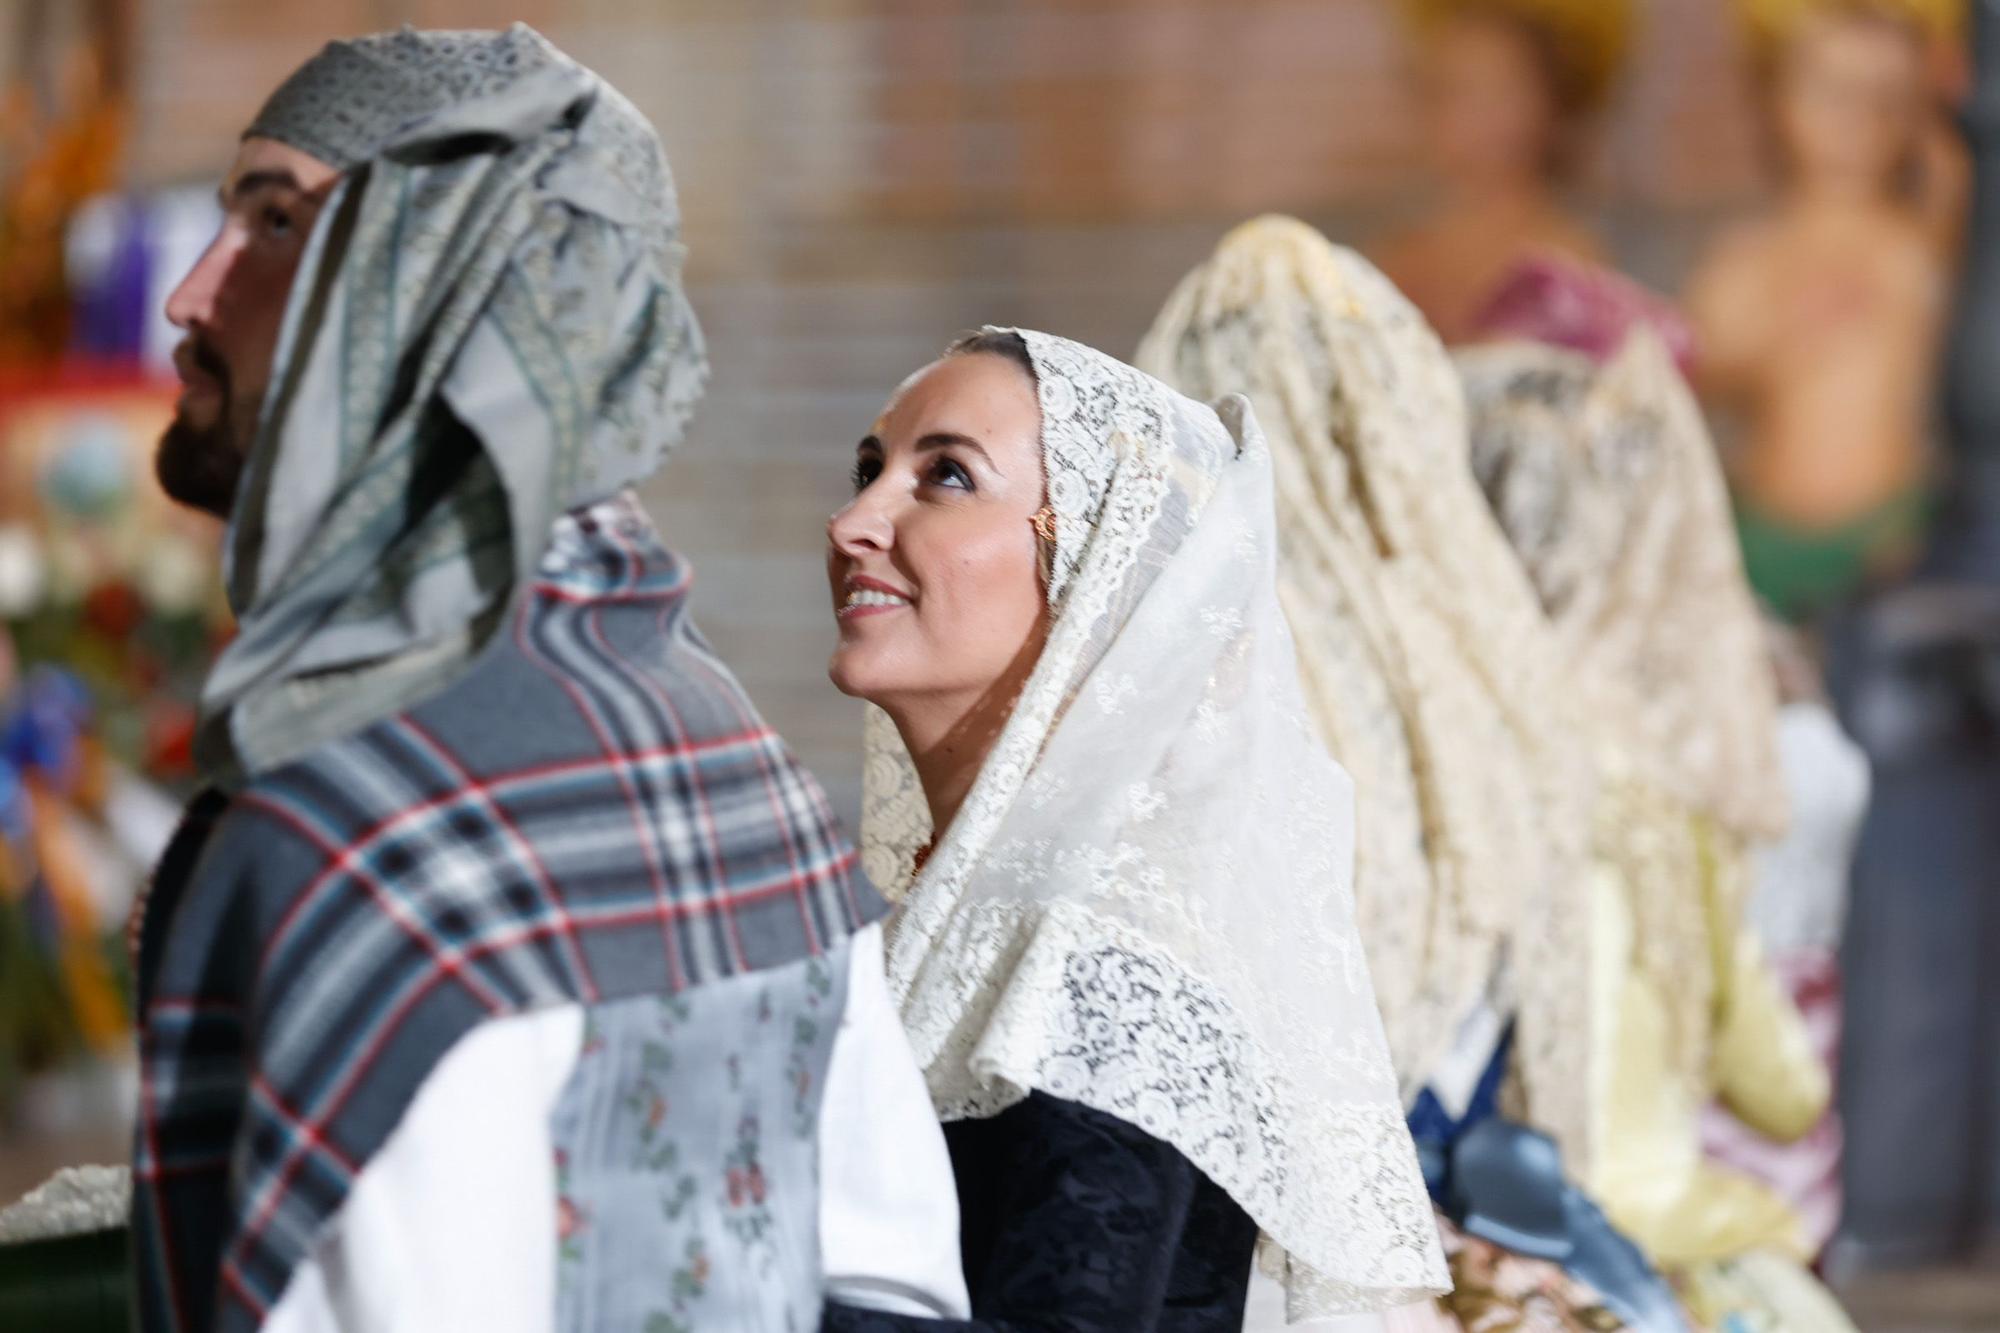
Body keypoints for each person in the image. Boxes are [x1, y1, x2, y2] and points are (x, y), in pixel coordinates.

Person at [130, 25, 964, 1333]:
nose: (190, 293)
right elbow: (895, 1289)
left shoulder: (337, 827)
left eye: (275, 220)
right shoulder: (747, 768)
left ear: (441, 285)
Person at [820, 329, 1447, 1330]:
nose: (853, 520)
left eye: (943, 476)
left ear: (1090, 566)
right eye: (868, 468)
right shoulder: (973, 902)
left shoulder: (1107, 950)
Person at [1458, 332, 1858, 1331]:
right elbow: (1783, 1091)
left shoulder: (1429, 766)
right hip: (1658, 1264)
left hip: (1469, 1259)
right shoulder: (1663, 795)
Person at [1687, 0, 1965, 621]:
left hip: (1885, 544)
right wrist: (1760, 351)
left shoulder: (1919, 247)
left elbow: (1962, 176)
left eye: (1885, 97)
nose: (1854, 118)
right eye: (1829, 88)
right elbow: (1687, 390)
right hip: (1758, 544)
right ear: (1775, 93)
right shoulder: (1744, 258)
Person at [1375, 0, 1633, 345]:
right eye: (1453, 91)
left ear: (1551, 107)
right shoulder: (1399, 264)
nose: (1476, 120)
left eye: (1501, 92)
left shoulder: (1574, 268)